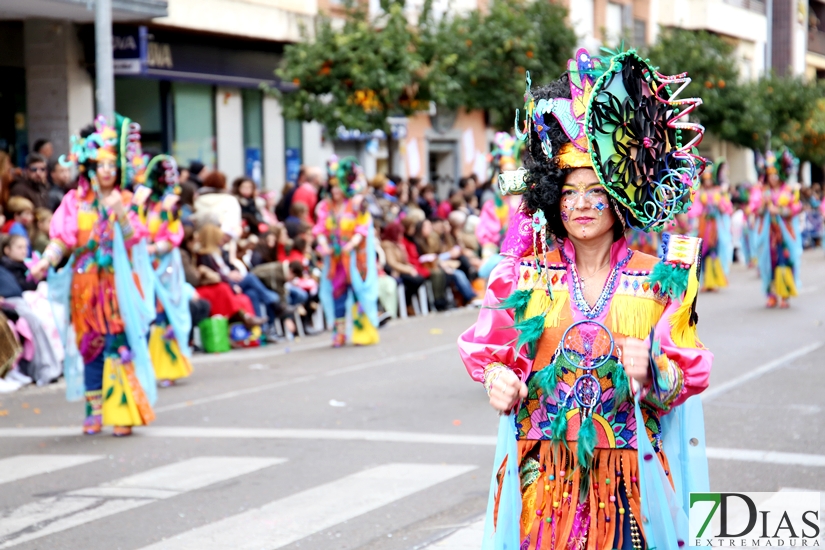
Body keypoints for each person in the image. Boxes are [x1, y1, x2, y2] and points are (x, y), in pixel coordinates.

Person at [459, 48, 712, 549]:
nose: (580, 204)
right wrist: (498, 378)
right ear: (551, 197)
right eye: (568, 191)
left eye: (596, 190)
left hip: (628, 483)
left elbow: (690, 370)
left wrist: (654, 371)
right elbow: (488, 351)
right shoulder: (521, 276)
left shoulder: (661, 278)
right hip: (544, 480)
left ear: (621, 198)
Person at [30, 115, 156, 437]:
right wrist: (46, 261)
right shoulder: (75, 202)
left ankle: (122, 411)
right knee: (91, 347)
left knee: (119, 346)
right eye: (100, 164)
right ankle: (94, 410)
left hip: (118, 285)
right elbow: (63, 238)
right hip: (85, 287)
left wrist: (121, 213)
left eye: (112, 165)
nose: (106, 170)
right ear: (89, 166)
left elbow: (134, 242)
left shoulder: (125, 200)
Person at [137, 155, 193, 387]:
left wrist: (153, 248)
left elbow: (173, 235)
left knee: (165, 311)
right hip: (144, 264)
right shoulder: (141, 202)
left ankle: (167, 367)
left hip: (165, 266)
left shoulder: (170, 204)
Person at [314, 157, 380, 347]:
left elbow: (363, 226)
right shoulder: (325, 206)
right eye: (332, 186)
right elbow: (320, 228)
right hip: (336, 260)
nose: (335, 190)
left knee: (359, 293)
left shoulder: (357, 204)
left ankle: (362, 332)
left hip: (356, 259)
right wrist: (323, 244)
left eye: (338, 186)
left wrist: (352, 243)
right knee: (337, 294)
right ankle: (339, 333)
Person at [750, 149, 803, 308]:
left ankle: (785, 293)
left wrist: (779, 210)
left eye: (775, 173)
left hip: (785, 235)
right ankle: (771, 294)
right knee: (768, 264)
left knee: (785, 261)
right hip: (767, 236)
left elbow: (796, 207)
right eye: (770, 173)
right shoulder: (761, 190)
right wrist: (764, 206)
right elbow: (754, 207)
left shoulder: (788, 190)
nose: (772, 176)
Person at [690, 163, 734, 291]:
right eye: (706, 179)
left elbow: (727, 208)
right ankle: (705, 282)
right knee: (703, 253)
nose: (708, 181)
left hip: (715, 227)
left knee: (714, 252)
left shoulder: (718, 192)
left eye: (710, 178)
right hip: (704, 226)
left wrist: (718, 204)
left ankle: (714, 281)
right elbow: (695, 209)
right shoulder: (700, 192)